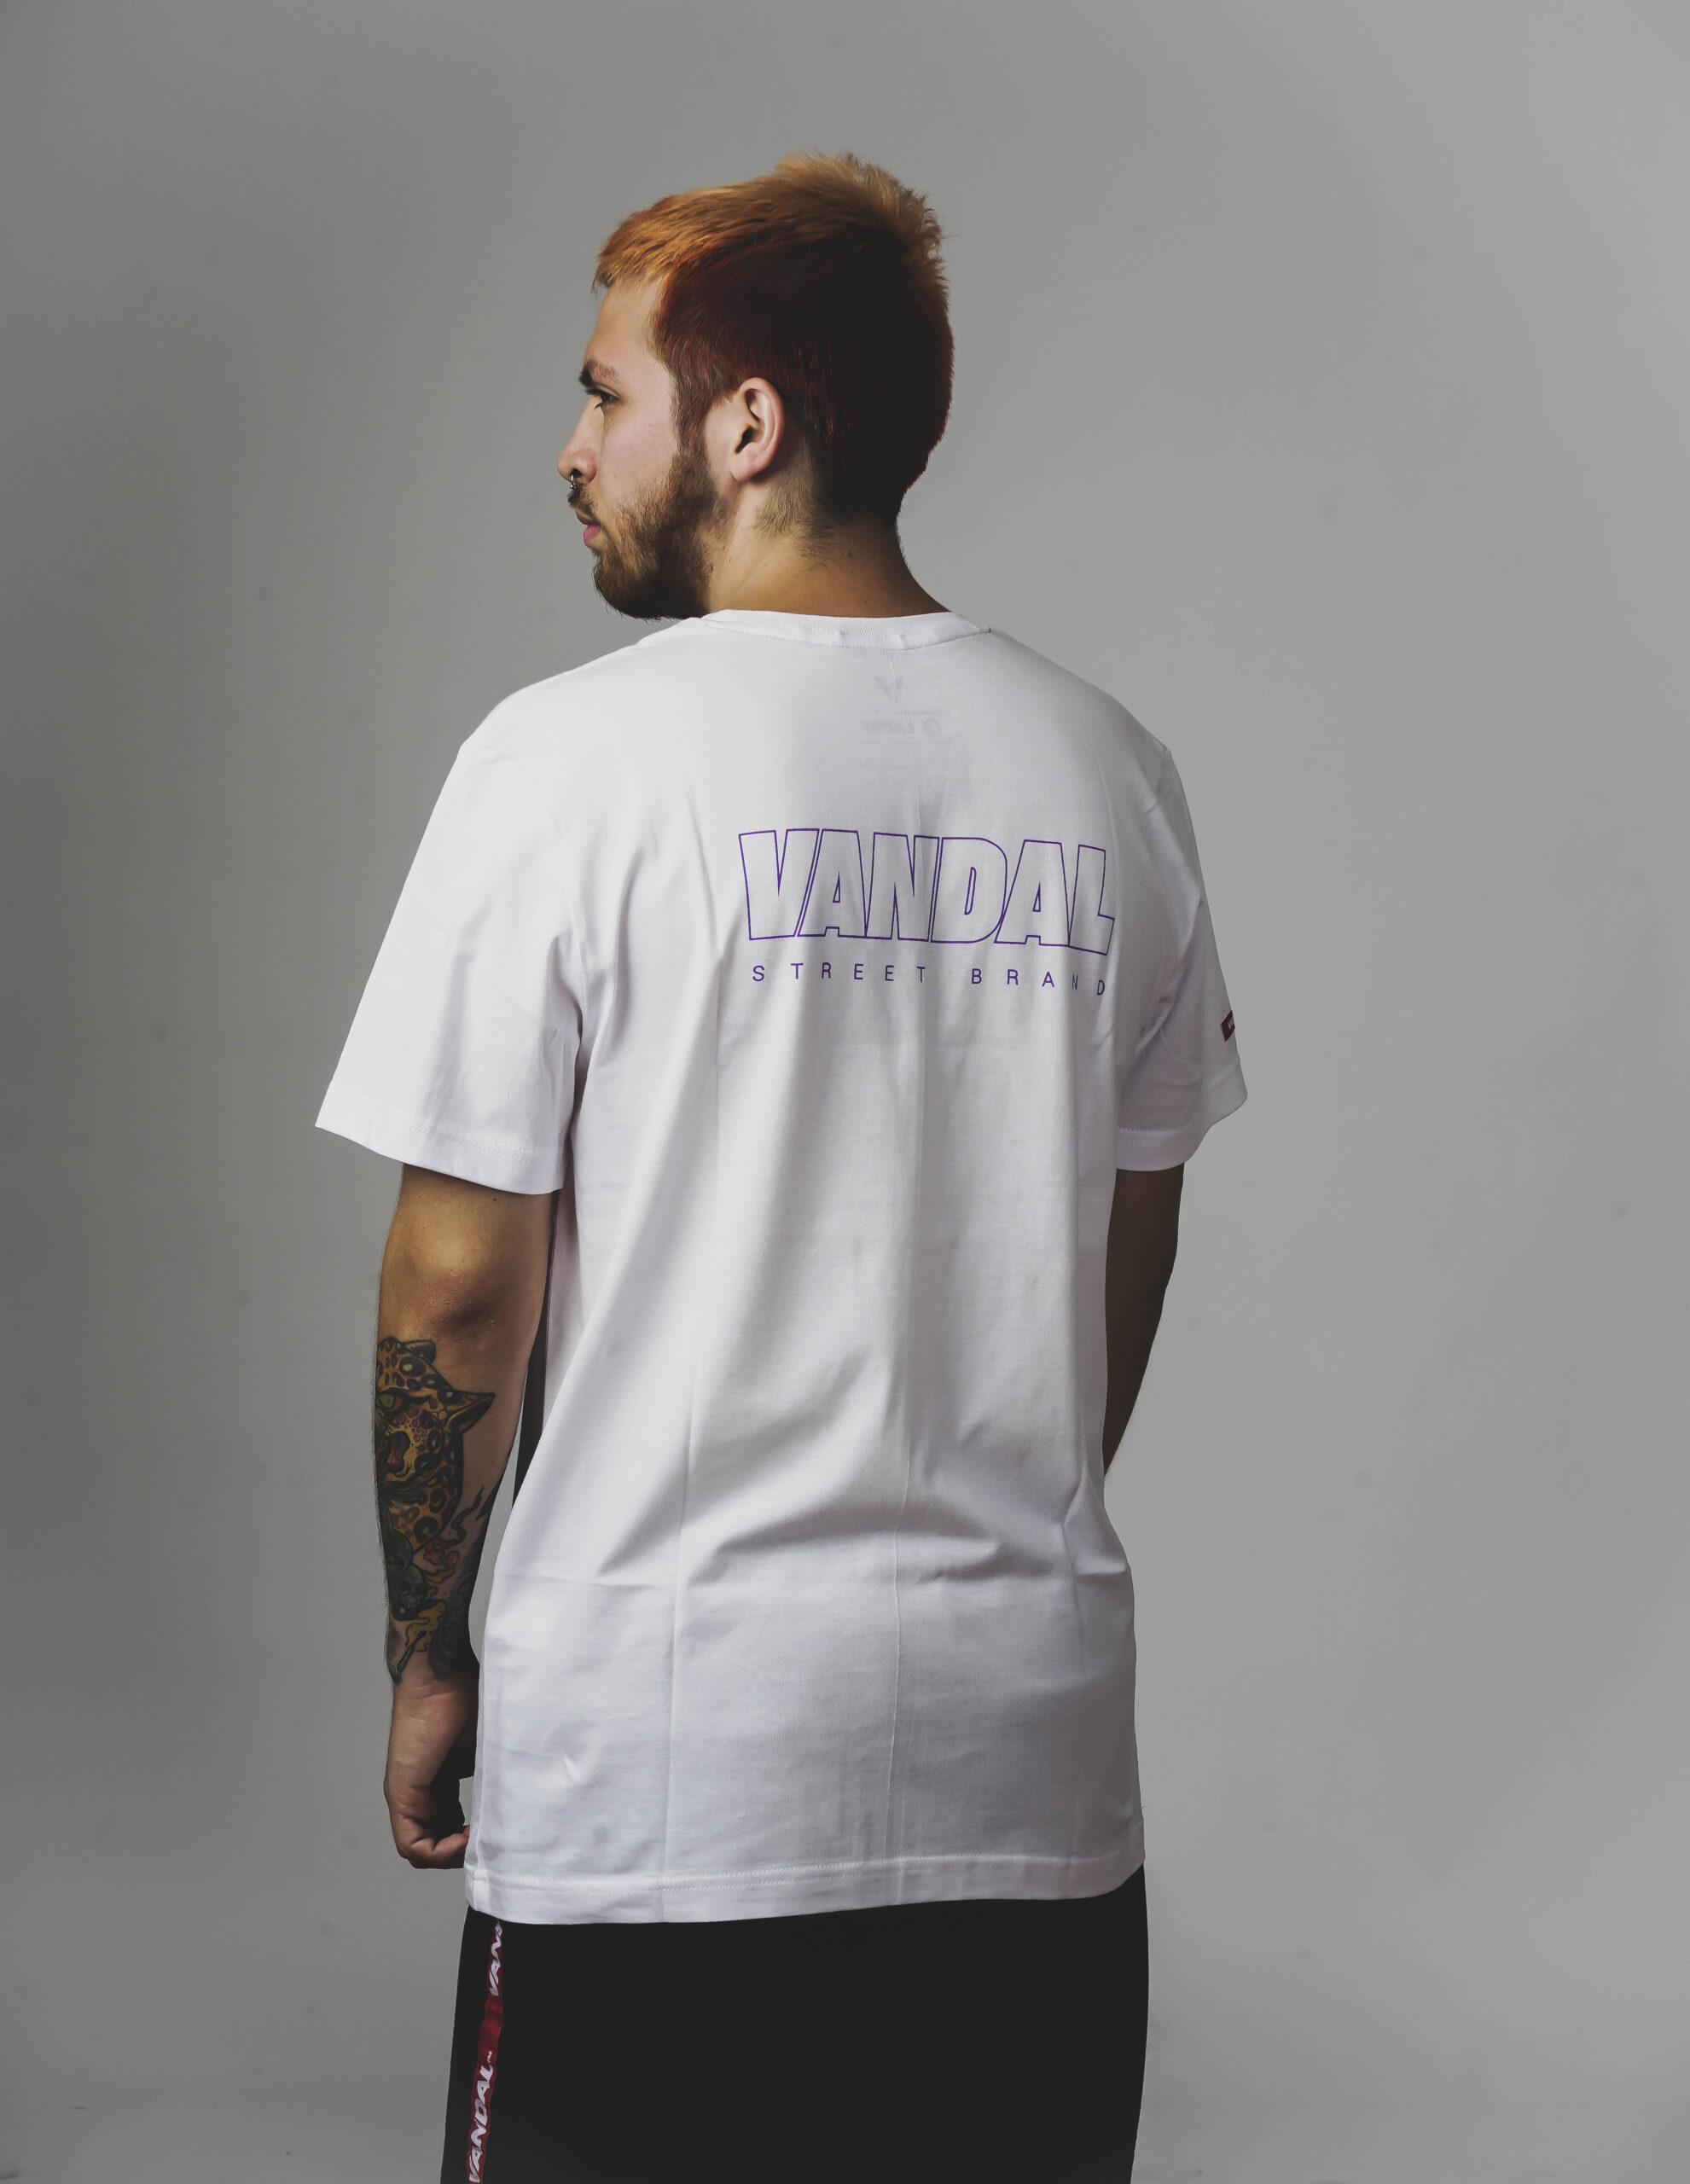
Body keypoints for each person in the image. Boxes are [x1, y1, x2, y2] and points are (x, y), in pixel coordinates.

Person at [319, 152, 1246, 2184]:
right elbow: (1124, 1250)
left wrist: (427, 1645)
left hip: (661, 1776)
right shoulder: (1111, 770)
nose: (571, 450)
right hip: (1026, 1768)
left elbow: (455, 1283)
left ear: (744, 424)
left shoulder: (561, 764)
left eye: (605, 394)